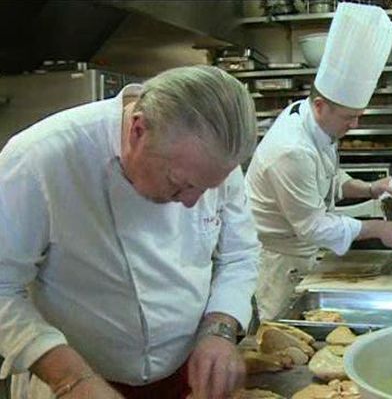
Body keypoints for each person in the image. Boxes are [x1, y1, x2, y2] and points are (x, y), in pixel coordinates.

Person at [0, 66, 261, 399]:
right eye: (179, 184)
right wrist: (71, 379)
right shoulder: (39, 158)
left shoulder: (212, 155)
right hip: (75, 381)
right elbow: (3, 285)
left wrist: (220, 329)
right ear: (138, 130)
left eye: (207, 190)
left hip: (184, 377)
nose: (193, 203)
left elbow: (239, 253)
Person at [245, 2, 392, 321]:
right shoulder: (290, 150)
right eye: (349, 117)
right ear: (321, 105)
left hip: (303, 255)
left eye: (359, 116)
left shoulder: (310, 120)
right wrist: (379, 228)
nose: (355, 126)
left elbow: (327, 177)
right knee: (280, 347)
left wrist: (370, 188)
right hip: (280, 266)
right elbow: (312, 226)